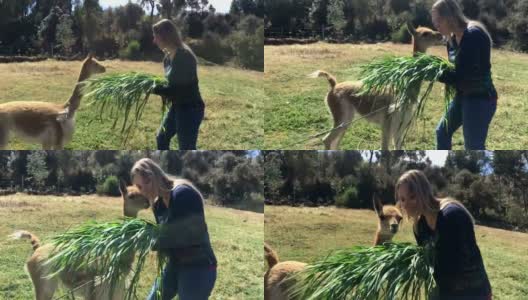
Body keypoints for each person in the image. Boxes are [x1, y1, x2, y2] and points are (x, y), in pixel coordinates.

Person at [395, 169, 492, 299]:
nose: (405, 205)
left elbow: (450, 265)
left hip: (473, 292)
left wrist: (414, 267)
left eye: (412, 197)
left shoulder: (451, 216)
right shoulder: (420, 227)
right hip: (445, 291)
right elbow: (430, 265)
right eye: (402, 199)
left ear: (424, 192)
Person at [131, 158, 216, 300]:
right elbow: (163, 234)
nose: (139, 192)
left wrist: (150, 240)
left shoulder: (182, 194)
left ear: (150, 179)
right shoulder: (159, 205)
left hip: (198, 269)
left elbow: (186, 237)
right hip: (175, 264)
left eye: (139, 187)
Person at [432, 0, 498, 150]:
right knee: (442, 132)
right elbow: (455, 71)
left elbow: (461, 76)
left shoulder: (473, 35)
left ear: (449, 17)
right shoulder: (451, 40)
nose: (435, 24)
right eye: (433, 20)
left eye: (438, 20)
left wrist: (434, 73)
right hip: (463, 96)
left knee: (473, 146)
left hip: (480, 99)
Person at [151, 19, 205, 150]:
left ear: (165, 36)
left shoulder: (184, 56)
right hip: (177, 106)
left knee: (186, 147)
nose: (154, 40)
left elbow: (177, 90)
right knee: (161, 138)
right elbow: (170, 84)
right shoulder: (167, 58)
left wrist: (154, 89)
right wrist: (156, 85)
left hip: (190, 109)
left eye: (156, 36)